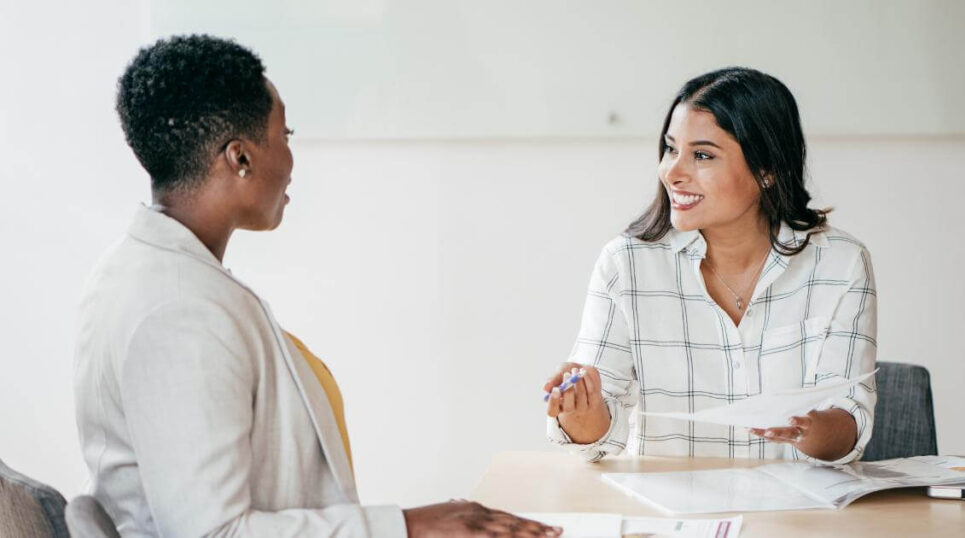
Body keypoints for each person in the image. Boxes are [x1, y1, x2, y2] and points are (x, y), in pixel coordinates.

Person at [73, 34, 560, 538]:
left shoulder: (147, 274)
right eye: (285, 135)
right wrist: (408, 527)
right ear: (239, 158)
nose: (290, 159)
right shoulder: (177, 310)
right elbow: (213, 533)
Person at [543, 67, 877, 465]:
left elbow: (850, 419)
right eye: (670, 149)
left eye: (701, 155)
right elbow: (597, 441)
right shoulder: (625, 264)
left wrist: (806, 429)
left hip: (793, 518)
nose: (673, 172)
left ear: (767, 169)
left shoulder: (840, 263)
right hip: (671, 518)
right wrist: (581, 409)